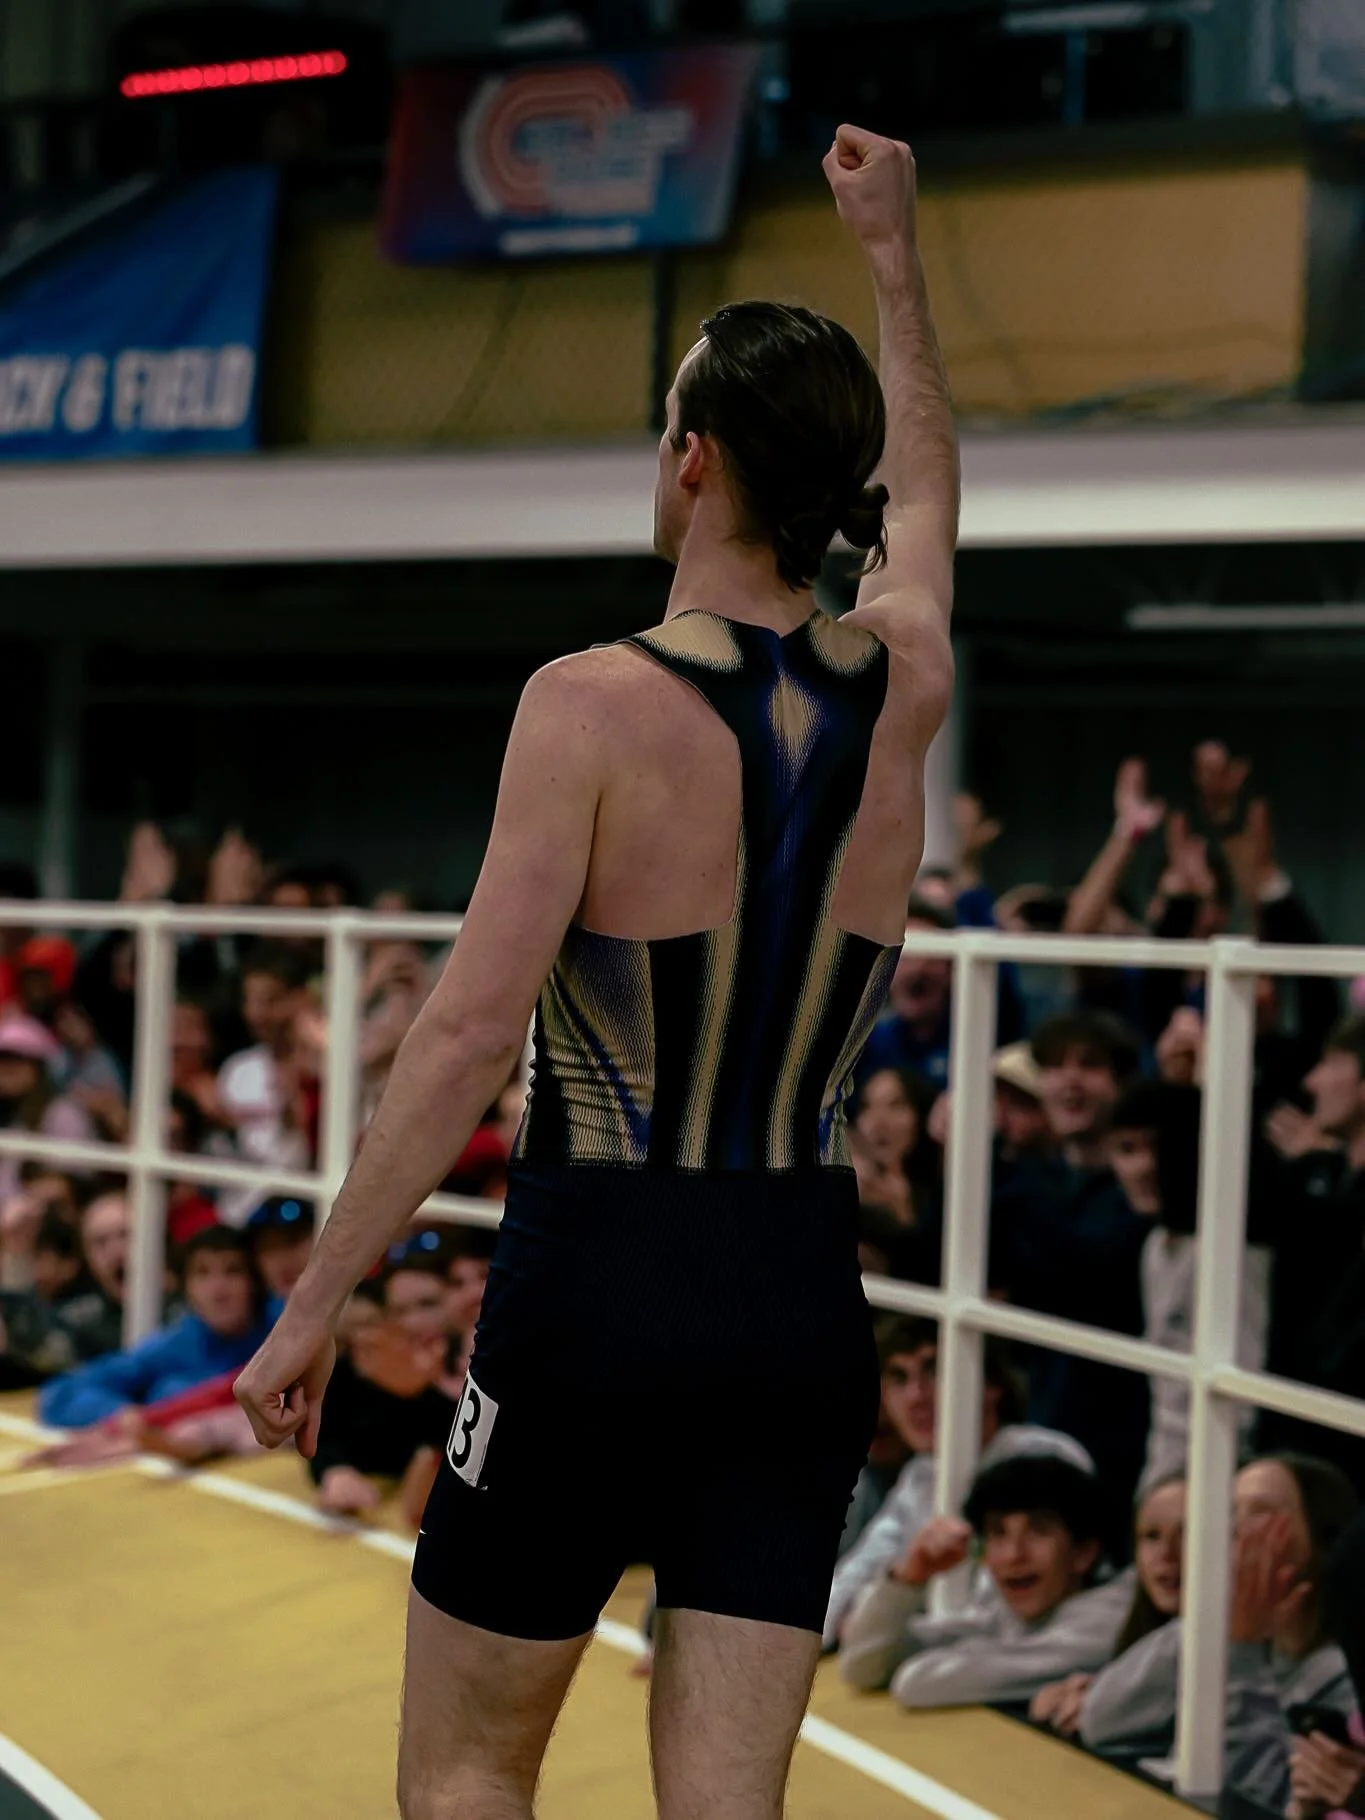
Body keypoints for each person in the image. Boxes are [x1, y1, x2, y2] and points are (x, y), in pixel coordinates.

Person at [236, 121, 959, 1820]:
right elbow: (925, 496)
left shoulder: (591, 706)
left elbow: (472, 1028)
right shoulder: (904, 678)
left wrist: (320, 1294)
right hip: (796, 1298)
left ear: (695, 459)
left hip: (596, 1289)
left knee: (471, 1767)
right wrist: (898, 266)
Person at [1076, 1455, 1358, 1814]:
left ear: (1323, 1543)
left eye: (1260, 1511)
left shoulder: (1342, 1677)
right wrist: (1210, 1619)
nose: (1233, 1529)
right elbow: (1101, 1722)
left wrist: (1241, 1650)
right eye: (1229, 1511)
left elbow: (1252, 1799)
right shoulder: (1226, 1633)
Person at [824, 1316, 1092, 1650]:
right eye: (898, 1377)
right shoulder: (921, 1476)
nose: (916, 1397)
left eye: (934, 1370)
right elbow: (850, 1580)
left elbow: (997, 1621)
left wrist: (874, 1624)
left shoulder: (1042, 1457)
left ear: (992, 1383)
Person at [838, 1453, 1131, 1707]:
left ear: (1084, 1551)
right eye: (998, 1533)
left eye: (1039, 1531)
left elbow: (916, 1684)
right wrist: (908, 1579)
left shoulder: (1109, 1619)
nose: (1014, 1555)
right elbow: (863, 1665)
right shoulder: (1004, 1613)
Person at [39, 1227, 275, 1428]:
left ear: (256, 1282)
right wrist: (132, 1418)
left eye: (232, 1271)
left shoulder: (283, 1329)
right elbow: (60, 1394)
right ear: (187, 1290)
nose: (217, 1291)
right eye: (202, 1274)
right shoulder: (177, 1344)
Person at [1030, 1474, 1185, 1750]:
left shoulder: (1198, 1641)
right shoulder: (1132, 1624)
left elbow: (1097, 1719)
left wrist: (1095, 1699)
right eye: (1151, 1536)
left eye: (1188, 1535)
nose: (1167, 1554)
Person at [307, 1253, 462, 1519]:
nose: (414, 1322)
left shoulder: (481, 1376)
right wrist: (336, 1471)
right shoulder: (359, 1370)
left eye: (428, 1304)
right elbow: (326, 1437)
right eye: (400, 1311)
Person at [215, 945, 313, 1225]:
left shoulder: (331, 1072)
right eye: (250, 1001)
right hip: (237, 1218)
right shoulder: (237, 1070)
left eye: (270, 1001)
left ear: (301, 999)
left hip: (302, 1221)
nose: (256, 1014)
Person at [0, 1010, 95, 1210]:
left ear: (39, 1067)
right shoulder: (9, 1114)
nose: (6, 1067)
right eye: (2, 1057)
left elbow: (67, 1186)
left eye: (17, 1057)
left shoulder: (62, 1112)